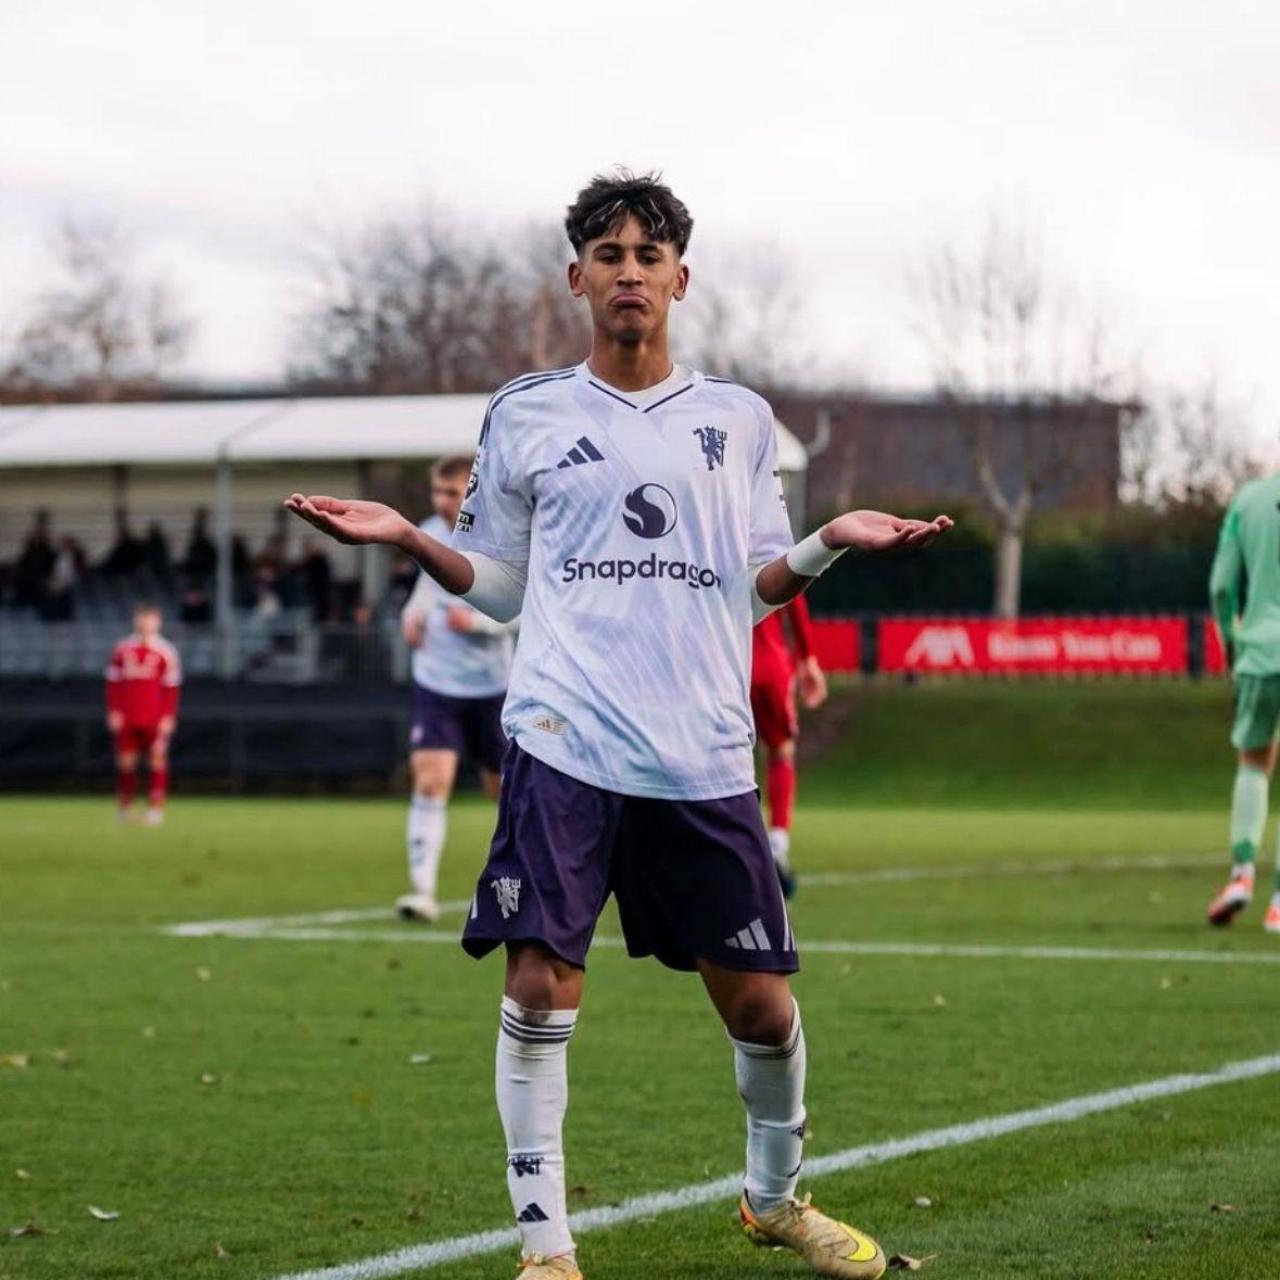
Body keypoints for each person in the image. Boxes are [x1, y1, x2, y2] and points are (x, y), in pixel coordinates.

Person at [285, 170, 951, 1280]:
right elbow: (498, 589)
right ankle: (545, 1245)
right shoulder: (526, 412)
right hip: (562, 737)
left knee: (762, 1008)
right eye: (608, 253)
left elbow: (749, 584)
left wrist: (831, 538)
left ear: (680, 279)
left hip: (697, 749)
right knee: (540, 981)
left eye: (649, 254)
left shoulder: (736, 421)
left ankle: (775, 1199)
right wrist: (410, 535)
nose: (628, 270)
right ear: (575, 277)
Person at [396, 455, 516, 923]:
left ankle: (519, 886)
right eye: (437, 492)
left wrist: (481, 624)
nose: (442, 503)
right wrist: (412, 616)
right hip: (437, 681)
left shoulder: (503, 537)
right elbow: (424, 594)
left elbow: (527, 609)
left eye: (452, 493)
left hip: (493, 688)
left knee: (505, 793)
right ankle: (421, 891)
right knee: (431, 779)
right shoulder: (427, 531)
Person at [1207, 473, 1280, 934]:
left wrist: (1233, 646)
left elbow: (1220, 587)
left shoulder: (1249, 498)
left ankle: (1242, 875)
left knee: (1253, 761)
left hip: (1258, 652)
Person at [752, 594, 827, 897]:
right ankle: (777, 843)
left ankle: (732, 844)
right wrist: (808, 658)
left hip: (724, 666)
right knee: (781, 751)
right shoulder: (767, 544)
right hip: (769, 664)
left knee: (725, 757)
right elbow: (794, 592)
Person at [105, 603, 182, 825]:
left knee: (157, 760)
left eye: (150, 619)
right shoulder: (122, 649)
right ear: (135, 620)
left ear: (158, 622)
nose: (145, 623)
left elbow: (172, 687)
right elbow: (113, 683)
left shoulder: (166, 651)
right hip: (128, 715)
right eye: (142, 618)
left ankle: (155, 809)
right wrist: (114, 711)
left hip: (154, 717)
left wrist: (168, 715)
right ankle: (125, 807)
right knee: (125, 762)